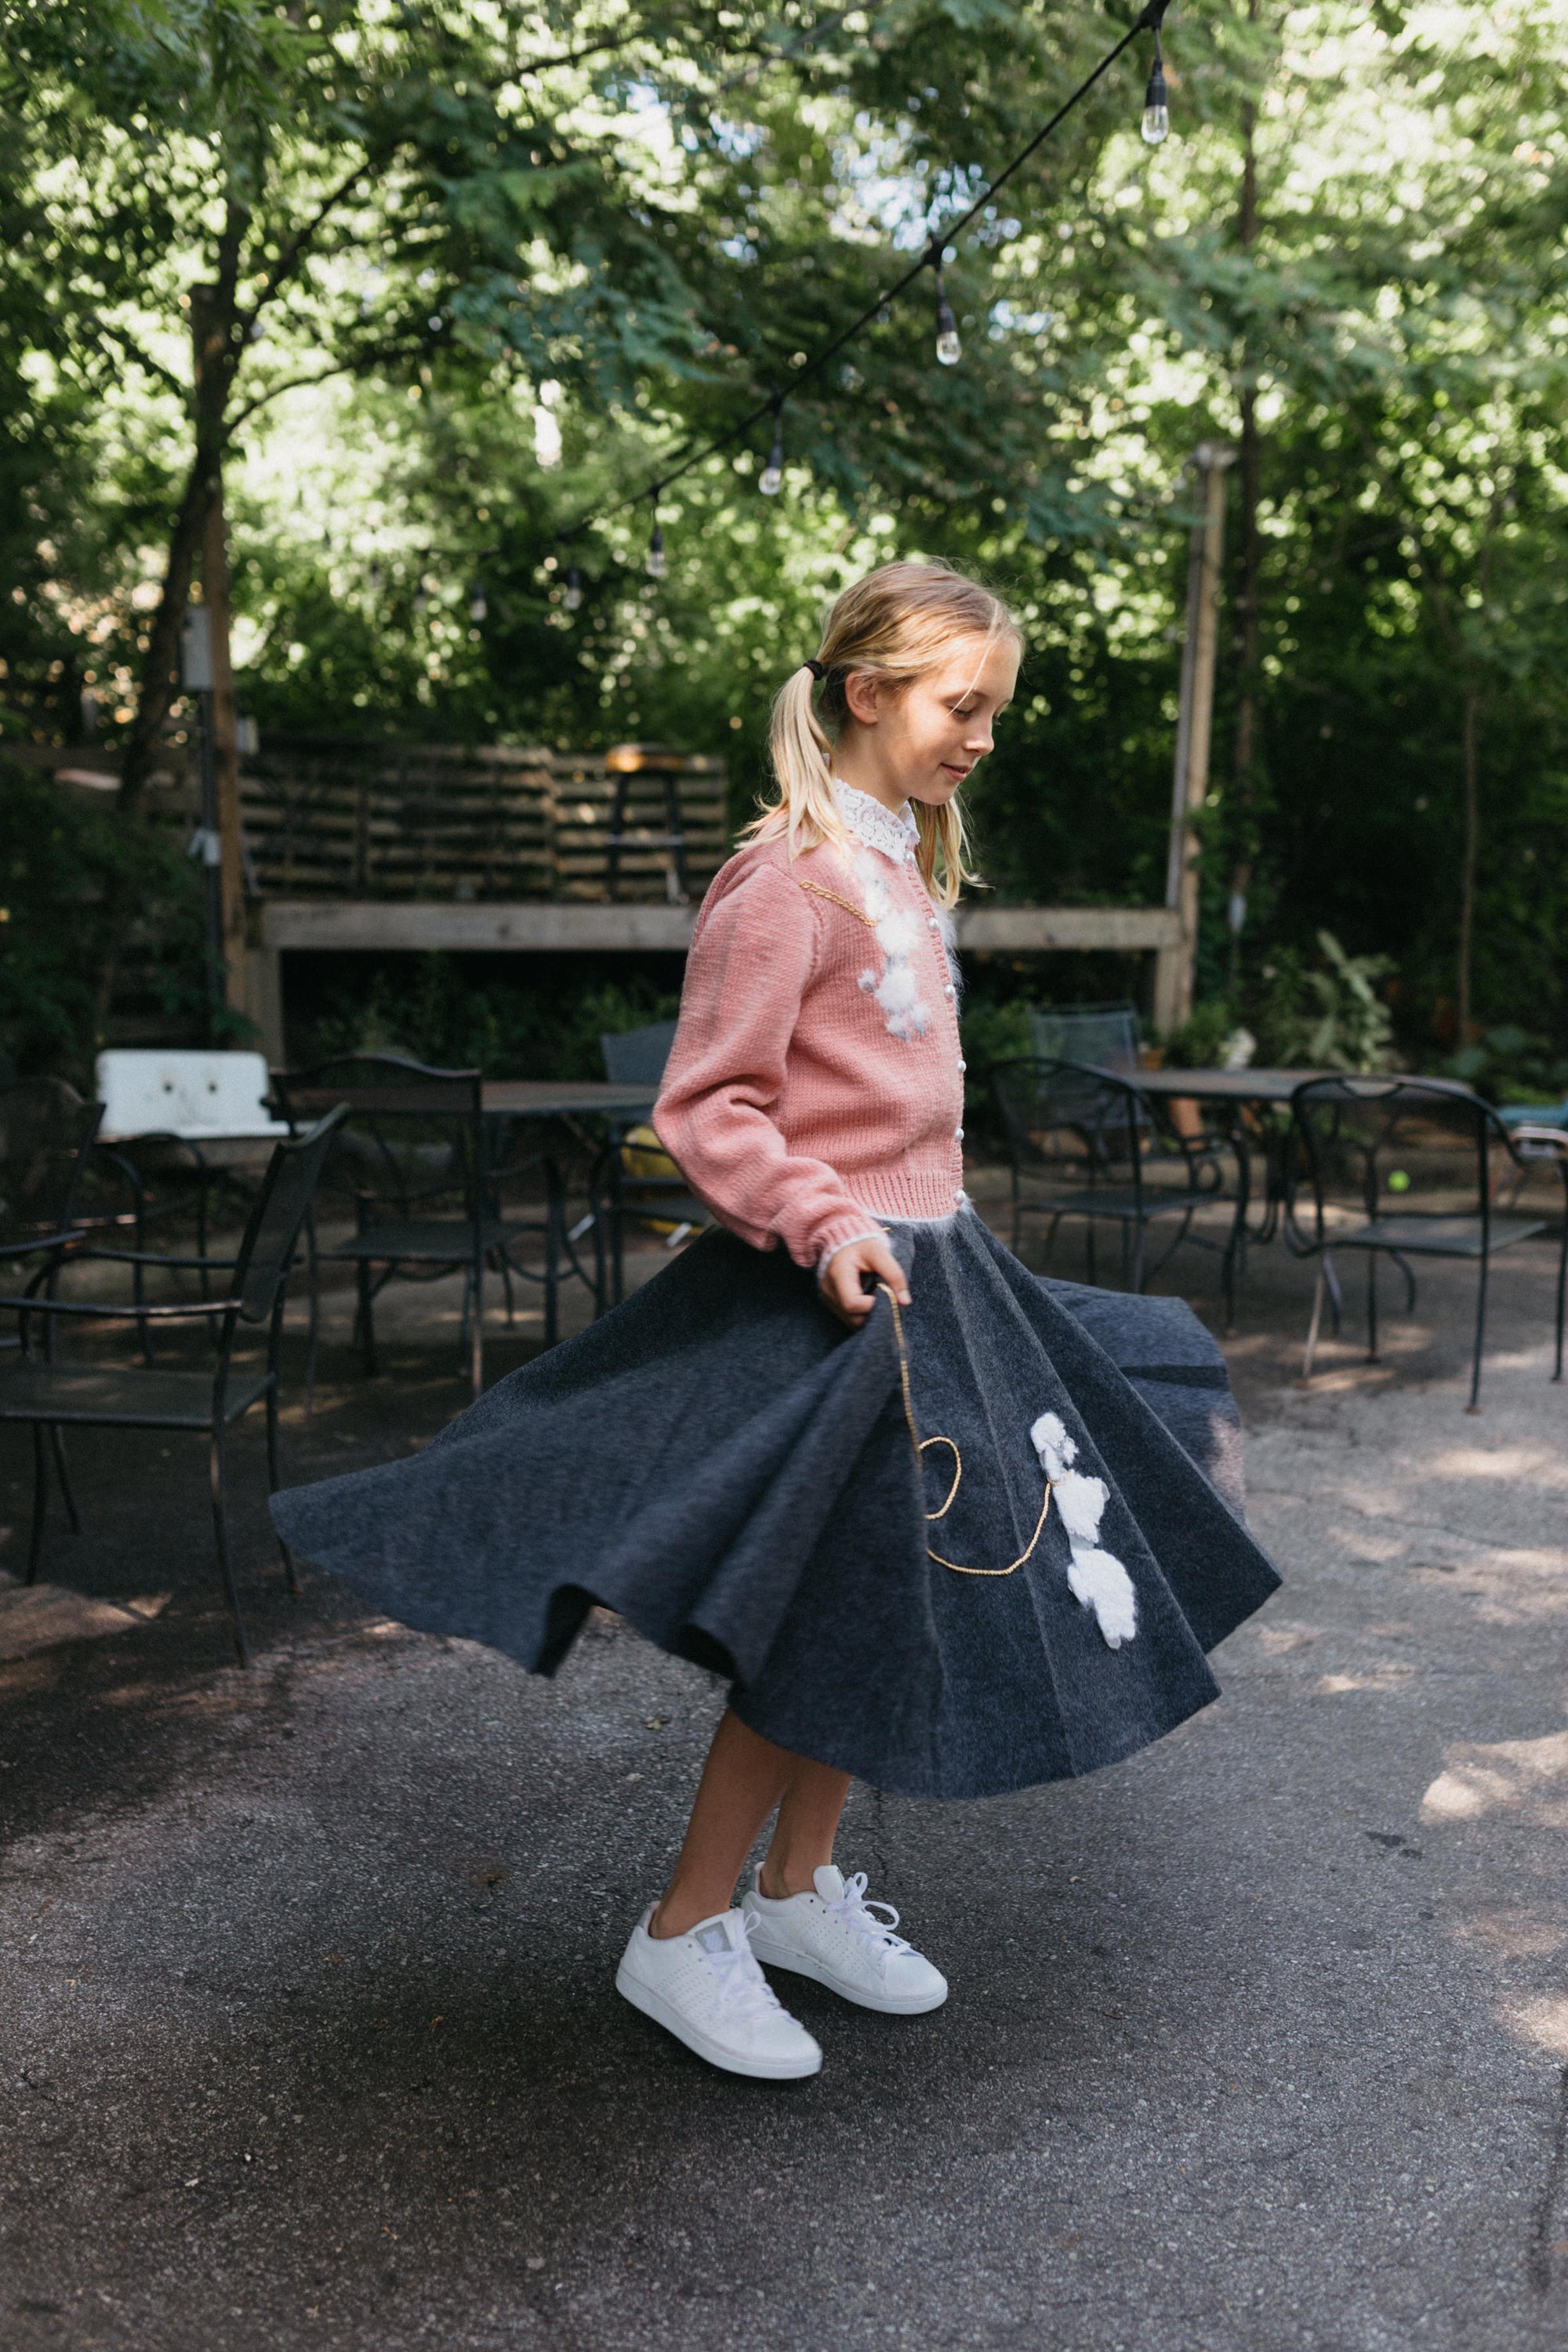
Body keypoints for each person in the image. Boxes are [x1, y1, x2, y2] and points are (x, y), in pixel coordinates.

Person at [272, 558, 1278, 2085]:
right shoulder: (785, 881)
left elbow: (897, 1109)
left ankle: (799, 1891)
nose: (982, 737)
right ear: (867, 693)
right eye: (961, 705)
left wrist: (918, 1216)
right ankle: (684, 1928)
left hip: (941, 1282)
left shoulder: (901, 867)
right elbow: (712, 1106)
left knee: (898, 1594)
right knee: (824, 1618)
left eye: (994, 709)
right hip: (841, 1297)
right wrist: (825, 1221)